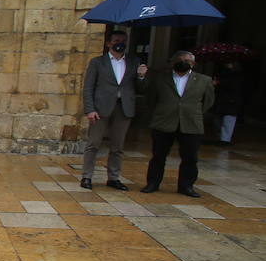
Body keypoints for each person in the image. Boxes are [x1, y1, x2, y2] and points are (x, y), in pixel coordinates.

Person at [79, 30, 148, 190]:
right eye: (116, 40)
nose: (120, 43)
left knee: (117, 146)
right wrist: (90, 109)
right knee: (93, 143)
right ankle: (87, 176)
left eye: (123, 40)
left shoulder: (133, 62)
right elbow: (88, 87)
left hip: (123, 107)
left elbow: (141, 88)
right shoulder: (98, 62)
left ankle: (113, 177)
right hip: (101, 107)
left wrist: (141, 76)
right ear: (109, 43)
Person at [141, 51, 215, 198]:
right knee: (158, 156)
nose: (183, 62)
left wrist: (193, 112)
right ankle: (153, 183)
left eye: (187, 60)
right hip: (164, 121)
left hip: (191, 123)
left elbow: (208, 102)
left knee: (190, 157)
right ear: (173, 62)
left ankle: (186, 186)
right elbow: (150, 99)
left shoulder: (203, 80)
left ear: (193, 64)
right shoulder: (160, 78)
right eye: (180, 60)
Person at [211, 60, 244, 145]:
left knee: (228, 121)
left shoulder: (237, 76)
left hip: (231, 101)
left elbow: (235, 86)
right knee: (217, 121)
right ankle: (221, 138)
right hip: (221, 100)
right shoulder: (221, 73)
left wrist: (219, 83)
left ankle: (224, 139)